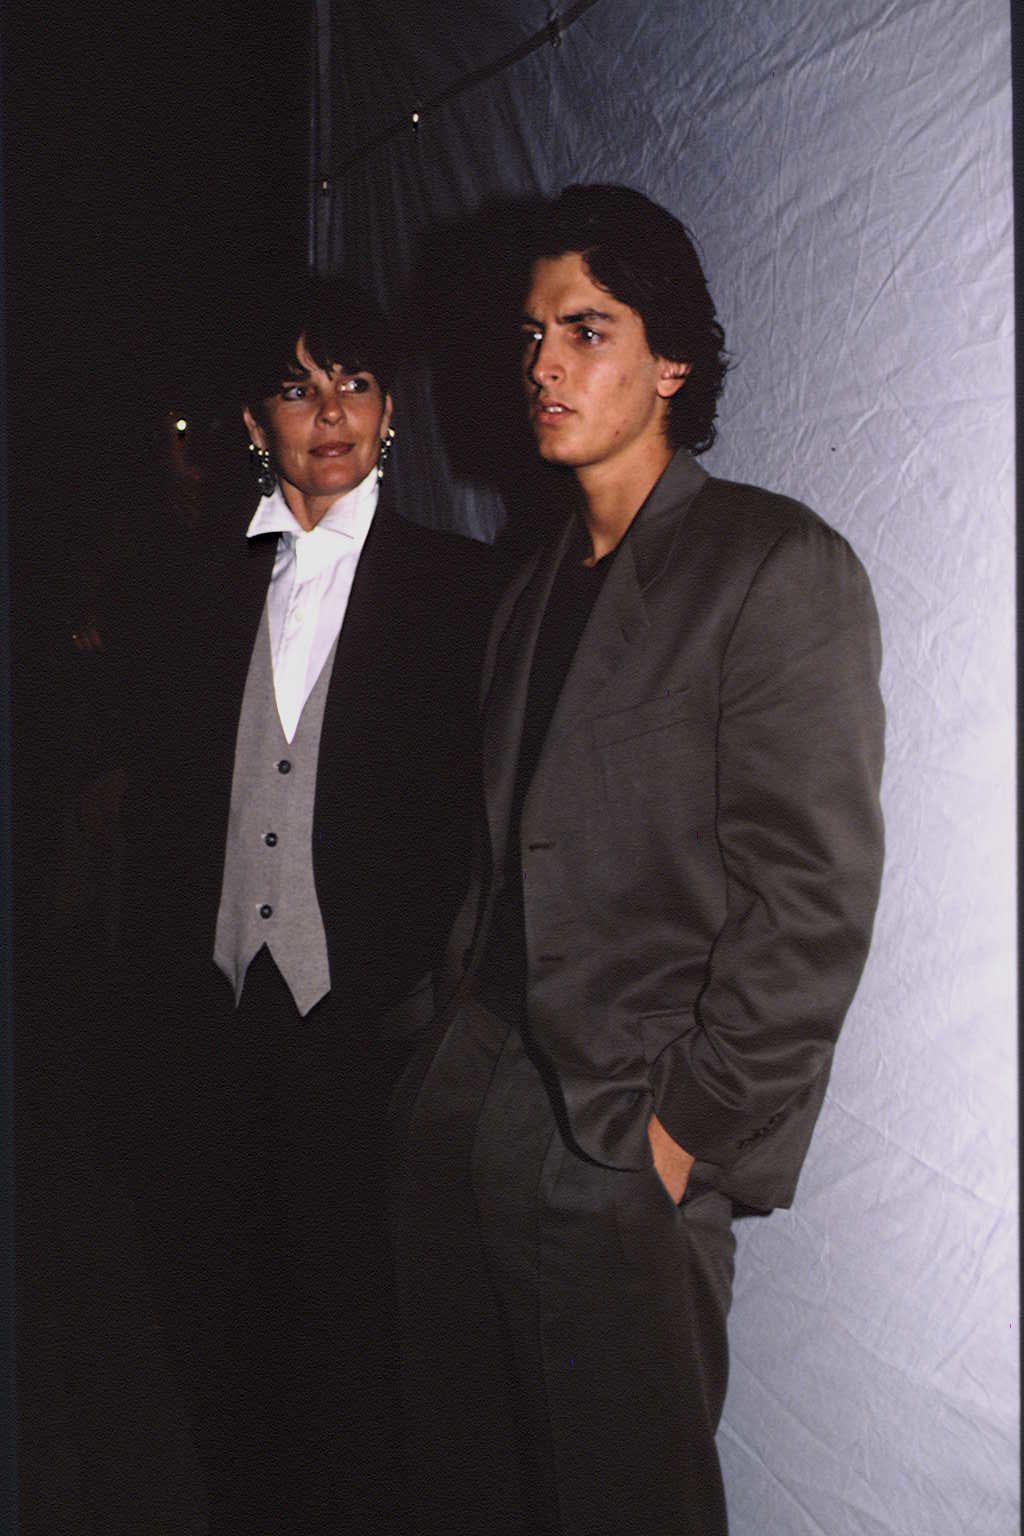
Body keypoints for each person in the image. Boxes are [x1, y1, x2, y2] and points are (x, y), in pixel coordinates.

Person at [390, 185, 885, 1536]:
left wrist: (681, 1139)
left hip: (619, 1134)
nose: (543, 364)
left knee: (626, 1503)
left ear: (672, 362)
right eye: (535, 333)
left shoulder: (771, 565)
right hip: (470, 1092)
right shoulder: (529, 590)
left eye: (587, 330)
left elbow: (813, 902)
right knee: (474, 1477)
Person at [113, 274, 497, 1536]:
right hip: (212, 1026)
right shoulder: (189, 593)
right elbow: (165, 819)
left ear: (390, 413)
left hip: (372, 1029)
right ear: (251, 419)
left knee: (367, 1345)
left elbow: (485, 832)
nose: (328, 409)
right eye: (295, 384)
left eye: (355, 382)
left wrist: (436, 1005)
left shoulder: (465, 591)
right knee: (227, 1328)